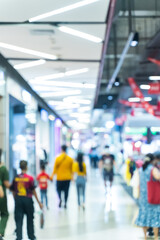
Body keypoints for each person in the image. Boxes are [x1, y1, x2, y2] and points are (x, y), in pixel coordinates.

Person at [10, 160, 43, 240]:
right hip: (28, 200)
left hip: (18, 200)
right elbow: (33, 191)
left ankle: (19, 236)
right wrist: (39, 202)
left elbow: (13, 190)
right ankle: (31, 236)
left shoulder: (16, 178)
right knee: (30, 219)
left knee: (19, 219)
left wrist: (16, 199)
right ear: (26, 167)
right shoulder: (30, 178)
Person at [135, 153, 160, 240]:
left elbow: (139, 183)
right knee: (155, 216)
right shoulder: (152, 169)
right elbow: (158, 177)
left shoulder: (141, 169)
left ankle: (145, 236)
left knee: (144, 216)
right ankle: (156, 237)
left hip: (143, 197)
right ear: (153, 160)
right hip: (152, 196)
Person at [0, 149, 10, 240]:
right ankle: (0, 232)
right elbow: (6, 183)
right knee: (4, 214)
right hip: (1, 195)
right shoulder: (3, 169)